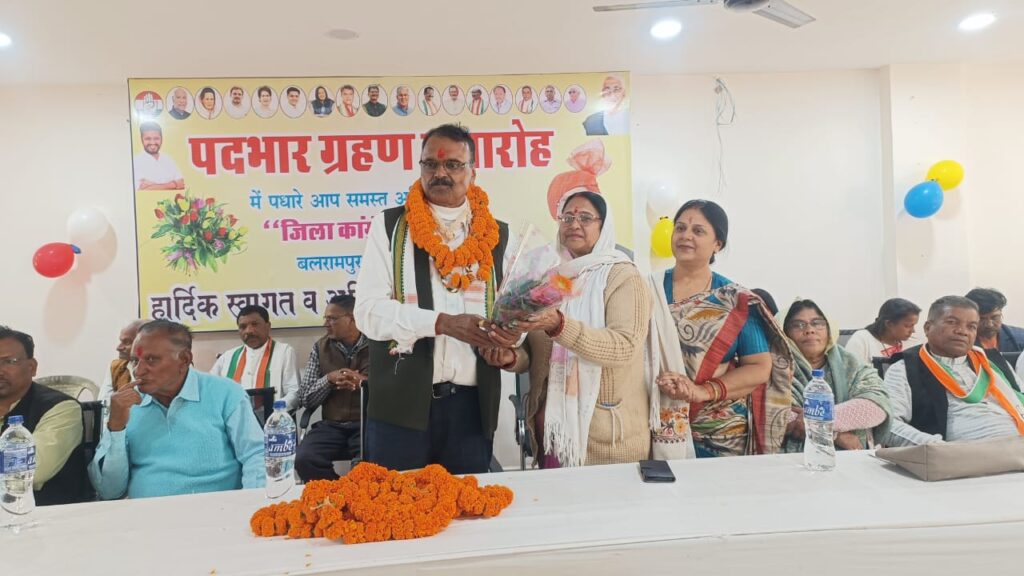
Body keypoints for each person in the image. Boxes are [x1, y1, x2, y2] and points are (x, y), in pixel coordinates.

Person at [354, 123, 511, 474]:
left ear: (472, 172)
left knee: (467, 505)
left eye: (453, 164)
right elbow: (367, 312)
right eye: (430, 164)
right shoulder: (389, 227)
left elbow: (512, 314)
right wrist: (441, 323)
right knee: (396, 503)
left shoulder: (499, 235)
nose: (440, 173)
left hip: (471, 408)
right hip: (400, 405)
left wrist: (510, 342)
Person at [486, 143, 652, 467]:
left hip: (607, 440)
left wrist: (558, 324)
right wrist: (512, 357)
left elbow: (623, 347)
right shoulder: (546, 277)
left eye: (586, 218)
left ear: (604, 226)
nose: (575, 224)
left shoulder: (622, 275)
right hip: (551, 431)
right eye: (567, 216)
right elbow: (539, 354)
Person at [654, 200, 793, 457]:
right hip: (653, 420)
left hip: (717, 433)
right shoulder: (647, 288)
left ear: (718, 243)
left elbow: (759, 367)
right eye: (680, 228)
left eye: (698, 231)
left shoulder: (734, 300)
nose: (685, 235)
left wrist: (701, 391)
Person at [89, 321, 265, 499]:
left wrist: (249, 503)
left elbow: (255, 455)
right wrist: (116, 428)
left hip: (216, 509)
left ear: (184, 359)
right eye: (135, 361)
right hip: (146, 512)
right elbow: (110, 491)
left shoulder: (225, 393)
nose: (138, 371)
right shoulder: (127, 405)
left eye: (151, 360)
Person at [883, 296, 1024, 446]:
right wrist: (936, 447)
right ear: (928, 328)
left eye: (971, 326)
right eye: (952, 322)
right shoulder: (905, 369)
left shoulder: (995, 363)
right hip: (960, 454)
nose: (962, 331)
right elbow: (889, 425)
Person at [779, 299, 892, 451]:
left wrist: (815, 421)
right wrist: (835, 435)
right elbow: (773, 413)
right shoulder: (774, 366)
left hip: (850, 458)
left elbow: (877, 404)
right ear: (784, 333)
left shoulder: (851, 363)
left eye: (817, 323)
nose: (809, 330)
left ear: (829, 329)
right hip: (788, 458)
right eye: (798, 325)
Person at [0, 326, 90, 505]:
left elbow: (31, 469)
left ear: (32, 367)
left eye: (9, 362)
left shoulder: (62, 408)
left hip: (48, 514)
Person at [295, 295, 367, 481]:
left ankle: (354, 494)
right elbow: (305, 398)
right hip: (332, 425)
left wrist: (363, 383)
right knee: (304, 459)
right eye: (325, 318)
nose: (326, 324)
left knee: (366, 467)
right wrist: (328, 380)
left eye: (332, 319)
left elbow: (390, 390)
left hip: (367, 425)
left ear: (352, 318)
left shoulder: (378, 345)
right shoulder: (320, 348)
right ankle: (336, 492)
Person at [210, 305, 300, 411]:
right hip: (234, 418)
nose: (249, 331)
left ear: (268, 326)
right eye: (243, 327)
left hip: (272, 417)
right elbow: (210, 389)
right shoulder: (227, 357)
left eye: (255, 324)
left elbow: (294, 392)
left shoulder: (284, 352)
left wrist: (275, 409)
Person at [845, 298, 921, 365]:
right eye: (907, 326)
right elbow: (851, 372)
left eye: (913, 325)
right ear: (889, 324)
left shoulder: (913, 343)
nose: (913, 331)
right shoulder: (862, 340)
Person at [98, 319, 150, 404]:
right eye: (121, 341)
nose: (118, 347)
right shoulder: (116, 367)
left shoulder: (160, 369)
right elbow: (104, 405)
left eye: (127, 342)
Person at [965, 288, 1024, 353]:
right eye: (982, 319)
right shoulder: (961, 341)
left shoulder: (1020, 338)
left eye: (995, 317)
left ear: (1001, 312)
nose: (989, 324)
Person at [132, 122, 184, 190]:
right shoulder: (136, 161)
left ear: (161, 138)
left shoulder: (168, 159)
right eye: (148, 139)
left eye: (156, 138)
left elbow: (181, 183)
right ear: (141, 139)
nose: (152, 142)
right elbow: (140, 189)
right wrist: (173, 184)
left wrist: (153, 185)